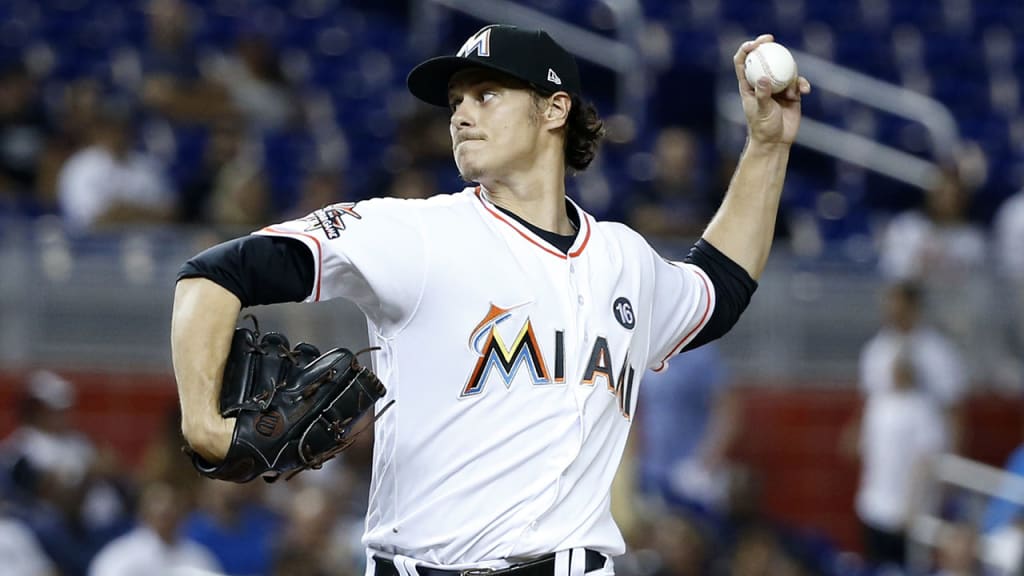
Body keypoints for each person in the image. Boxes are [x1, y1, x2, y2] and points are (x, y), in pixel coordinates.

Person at [172, 24, 810, 575]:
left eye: (487, 94)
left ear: (554, 109)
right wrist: (204, 425)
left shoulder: (624, 260)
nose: (460, 114)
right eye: (456, 100)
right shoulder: (415, 234)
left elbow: (718, 289)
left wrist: (768, 145)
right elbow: (214, 274)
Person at [847, 282, 964, 568]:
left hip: (919, 461)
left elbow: (954, 412)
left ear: (913, 307)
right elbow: (868, 398)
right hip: (882, 468)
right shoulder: (876, 349)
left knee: (915, 555)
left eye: (897, 305)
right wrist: (857, 432)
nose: (890, 312)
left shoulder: (937, 352)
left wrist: (951, 466)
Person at [88, 482, 221, 576]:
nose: (167, 513)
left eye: (172, 508)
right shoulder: (120, 556)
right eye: (160, 509)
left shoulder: (197, 556)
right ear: (143, 512)